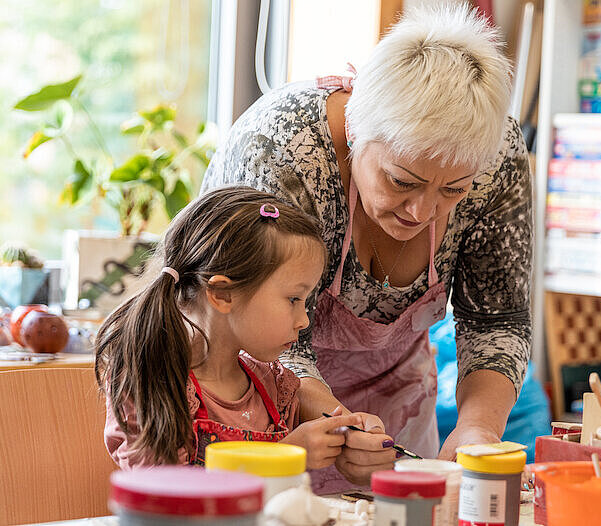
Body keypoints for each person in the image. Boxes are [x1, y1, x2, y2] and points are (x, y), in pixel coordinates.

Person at [202, 2, 532, 493]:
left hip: (397, 385)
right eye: (402, 180)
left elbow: (497, 319)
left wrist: (477, 429)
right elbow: (256, 320)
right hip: (254, 383)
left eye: (452, 191)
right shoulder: (281, 147)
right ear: (356, 129)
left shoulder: (494, 154)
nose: (422, 212)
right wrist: (337, 421)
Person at [97, 186, 390, 469]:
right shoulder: (153, 382)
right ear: (222, 294)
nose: (304, 320)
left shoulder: (274, 387)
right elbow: (162, 495)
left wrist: (348, 435)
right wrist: (283, 457)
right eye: (293, 299)